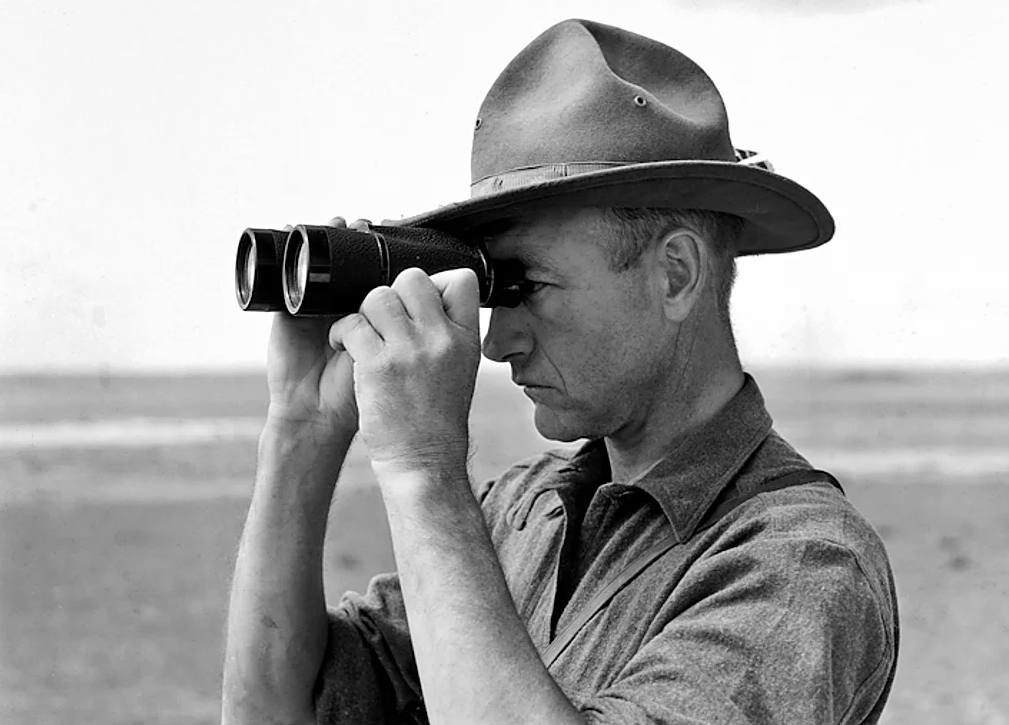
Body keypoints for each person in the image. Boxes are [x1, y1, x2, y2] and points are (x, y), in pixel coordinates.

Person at [221, 18, 899, 725]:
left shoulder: (798, 564)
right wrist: (300, 430)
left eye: (528, 286)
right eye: (495, 292)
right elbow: (273, 711)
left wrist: (423, 468)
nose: (497, 342)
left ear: (675, 273)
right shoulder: (521, 512)